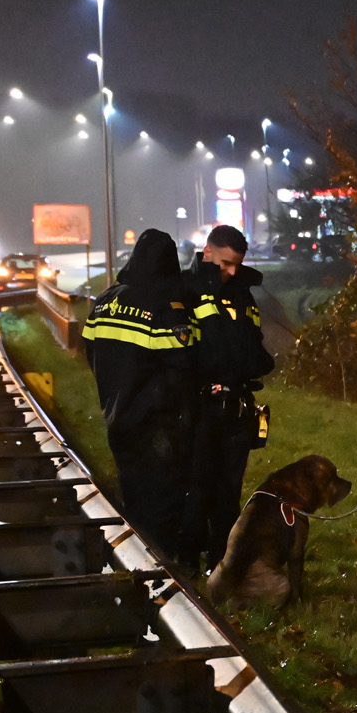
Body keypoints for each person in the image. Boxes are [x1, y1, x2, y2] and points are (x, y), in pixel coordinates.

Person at [82, 229, 199, 559]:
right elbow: (184, 365)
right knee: (164, 500)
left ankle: (132, 562)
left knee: (132, 495)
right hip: (158, 425)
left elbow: (90, 351)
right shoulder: (165, 308)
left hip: (117, 416)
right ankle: (163, 572)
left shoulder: (106, 300)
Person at [181, 224, 275, 572]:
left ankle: (221, 563)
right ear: (207, 253)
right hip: (200, 409)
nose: (231, 271)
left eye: (236, 264)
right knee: (196, 487)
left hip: (237, 408)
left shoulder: (241, 294)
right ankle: (187, 561)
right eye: (224, 263)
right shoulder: (186, 289)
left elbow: (255, 352)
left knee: (228, 491)